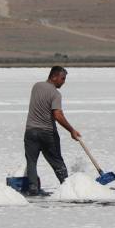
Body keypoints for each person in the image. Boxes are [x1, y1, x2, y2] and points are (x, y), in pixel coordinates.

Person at [23, 65, 80, 195]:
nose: (63, 82)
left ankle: (33, 188)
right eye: (62, 79)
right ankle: (67, 187)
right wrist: (71, 130)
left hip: (30, 131)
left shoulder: (36, 86)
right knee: (57, 161)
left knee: (31, 161)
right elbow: (57, 115)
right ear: (54, 76)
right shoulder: (55, 94)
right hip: (47, 133)